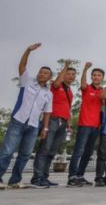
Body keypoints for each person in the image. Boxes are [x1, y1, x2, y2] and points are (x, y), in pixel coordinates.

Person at [0, 43, 52, 189]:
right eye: (41, 72)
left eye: (45, 73)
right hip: (18, 121)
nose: (42, 74)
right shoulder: (27, 81)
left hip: (34, 126)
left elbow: (47, 112)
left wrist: (45, 128)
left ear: (49, 77)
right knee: (7, 151)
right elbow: (22, 65)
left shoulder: (48, 93)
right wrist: (28, 51)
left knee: (25, 154)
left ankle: (15, 180)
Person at [32, 59, 76, 188]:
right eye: (69, 73)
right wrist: (65, 66)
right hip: (52, 120)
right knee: (44, 149)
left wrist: (69, 124)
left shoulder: (70, 91)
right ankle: (37, 177)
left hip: (63, 122)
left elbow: (68, 108)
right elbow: (57, 82)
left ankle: (44, 177)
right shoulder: (55, 85)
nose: (71, 76)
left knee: (52, 151)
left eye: (73, 74)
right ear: (63, 74)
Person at [67, 61, 104, 187]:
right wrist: (85, 70)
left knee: (88, 152)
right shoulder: (87, 88)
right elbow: (82, 84)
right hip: (84, 124)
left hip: (96, 126)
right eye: (94, 75)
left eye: (99, 75)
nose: (96, 77)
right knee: (78, 151)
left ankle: (80, 175)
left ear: (102, 78)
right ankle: (72, 177)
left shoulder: (103, 91)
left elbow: (104, 100)